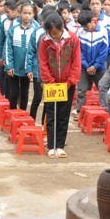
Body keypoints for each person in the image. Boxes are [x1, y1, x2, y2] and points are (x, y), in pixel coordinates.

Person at [38, 13, 81, 158]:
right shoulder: (44, 41)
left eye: (56, 33)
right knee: (51, 114)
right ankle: (51, 145)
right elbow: (43, 63)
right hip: (51, 84)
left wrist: (70, 82)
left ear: (62, 27)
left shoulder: (73, 40)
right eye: (52, 34)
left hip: (67, 84)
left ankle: (60, 146)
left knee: (63, 114)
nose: (54, 36)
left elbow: (76, 62)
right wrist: (50, 82)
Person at [74, 10, 108, 113]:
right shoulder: (80, 32)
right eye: (82, 25)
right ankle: (80, 111)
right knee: (81, 90)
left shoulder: (103, 31)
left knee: (102, 89)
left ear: (92, 21)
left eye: (86, 25)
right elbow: (78, 51)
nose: (84, 27)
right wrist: (87, 65)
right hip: (84, 68)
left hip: (100, 67)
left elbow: (104, 51)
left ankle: (105, 110)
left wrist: (96, 66)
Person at [5, 3, 37, 110]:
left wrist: (31, 68)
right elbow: (7, 48)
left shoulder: (36, 30)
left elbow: (36, 52)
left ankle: (22, 115)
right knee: (13, 93)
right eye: (24, 13)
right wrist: (9, 65)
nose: (27, 16)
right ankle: (12, 114)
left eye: (29, 13)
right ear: (19, 14)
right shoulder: (13, 29)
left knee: (24, 93)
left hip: (27, 68)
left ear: (33, 14)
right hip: (14, 67)